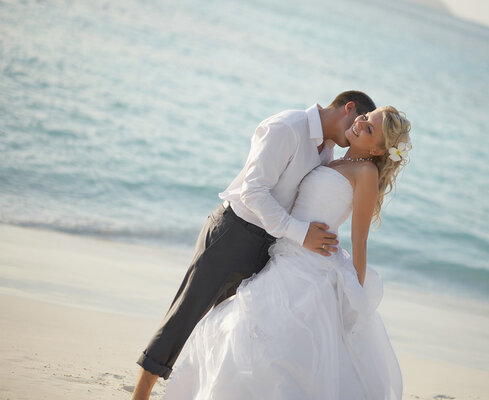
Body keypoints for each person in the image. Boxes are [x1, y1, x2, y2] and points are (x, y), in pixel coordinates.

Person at [130, 91, 377, 400]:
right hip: (233, 235)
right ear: (348, 108)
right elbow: (254, 191)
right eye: (358, 124)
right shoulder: (288, 127)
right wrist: (301, 234)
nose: (353, 136)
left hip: (271, 249)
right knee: (185, 317)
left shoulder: (326, 151)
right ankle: (139, 396)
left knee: (233, 332)